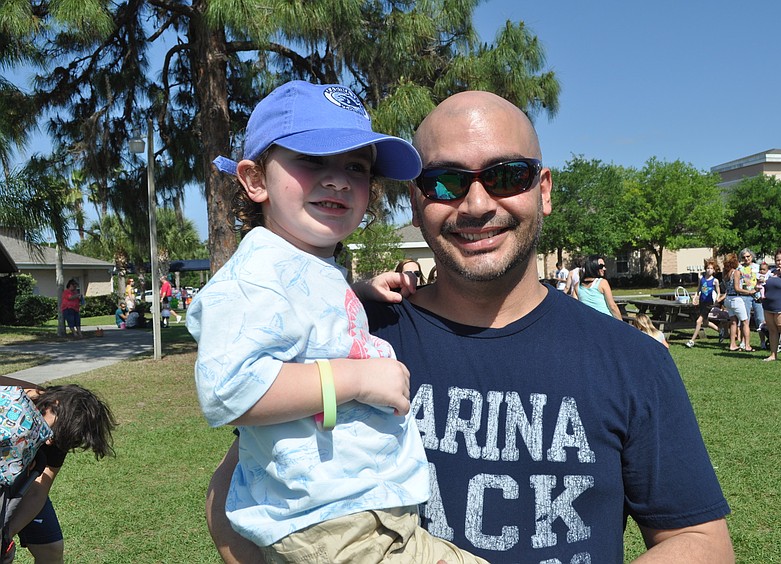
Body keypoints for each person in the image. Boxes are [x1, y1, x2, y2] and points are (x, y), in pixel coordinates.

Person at [207, 90, 733, 563]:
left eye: (507, 175)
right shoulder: (357, 338)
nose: (478, 205)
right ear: (416, 203)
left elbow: (701, 542)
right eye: (445, 182)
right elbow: (233, 492)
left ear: (543, 189)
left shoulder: (632, 359)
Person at [188, 81, 484, 563]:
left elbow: (305, 320)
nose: (339, 180)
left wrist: (359, 292)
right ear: (255, 180)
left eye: (356, 167)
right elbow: (228, 389)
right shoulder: (254, 276)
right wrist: (356, 378)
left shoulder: (302, 263)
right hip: (329, 523)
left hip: (358, 511)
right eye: (312, 160)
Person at [0, 377, 116, 564]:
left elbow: (39, 489)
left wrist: (6, 535)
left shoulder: (60, 430)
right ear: (54, 404)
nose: (48, 442)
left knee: (51, 551)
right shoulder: (15, 395)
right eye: (52, 432)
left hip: (25, 485)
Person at [576, 255, 623, 320]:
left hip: (588, 321)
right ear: (592, 266)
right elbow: (612, 306)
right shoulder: (602, 283)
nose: (604, 269)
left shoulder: (577, 286)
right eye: (601, 266)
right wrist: (621, 323)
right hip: (605, 321)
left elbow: (575, 307)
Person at [686, 260, 720, 348]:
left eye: (711, 268)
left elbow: (719, 292)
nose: (709, 270)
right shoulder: (702, 279)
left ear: (714, 270)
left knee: (699, 321)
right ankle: (721, 331)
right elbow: (698, 290)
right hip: (702, 302)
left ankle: (692, 340)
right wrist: (694, 298)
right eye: (708, 268)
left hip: (709, 303)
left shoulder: (715, 281)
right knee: (705, 321)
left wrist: (717, 300)